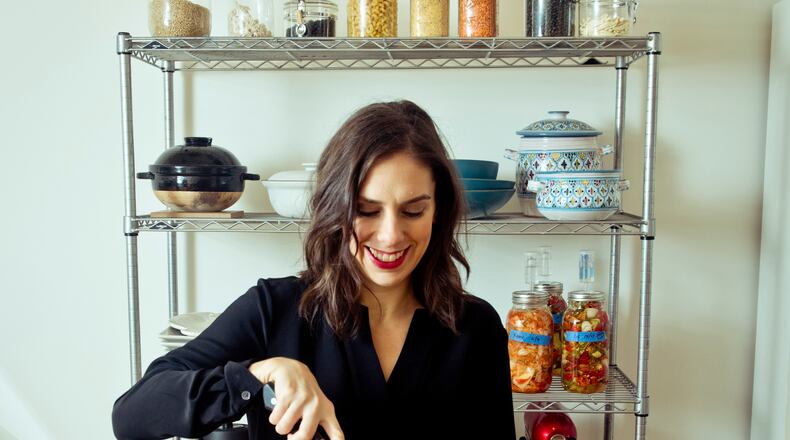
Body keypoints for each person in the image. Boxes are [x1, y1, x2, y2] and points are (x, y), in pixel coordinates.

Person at [112, 100, 516, 440]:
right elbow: (133, 414)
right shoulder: (274, 308)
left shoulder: (475, 328)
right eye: (366, 210)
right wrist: (260, 374)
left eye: (413, 210)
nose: (391, 235)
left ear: (437, 211)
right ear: (335, 210)